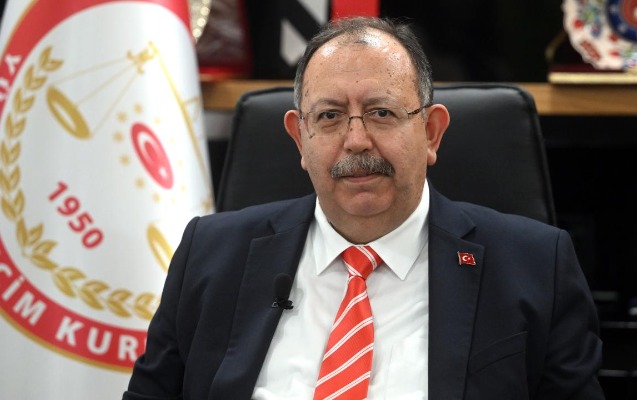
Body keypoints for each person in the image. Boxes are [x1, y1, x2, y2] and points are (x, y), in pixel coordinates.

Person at [123, 17, 604, 399]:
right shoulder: (209, 255)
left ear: (431, 133)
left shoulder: (535, 266)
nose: (356, 140)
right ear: (300, 138)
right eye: (329, 116)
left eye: (381, 112)